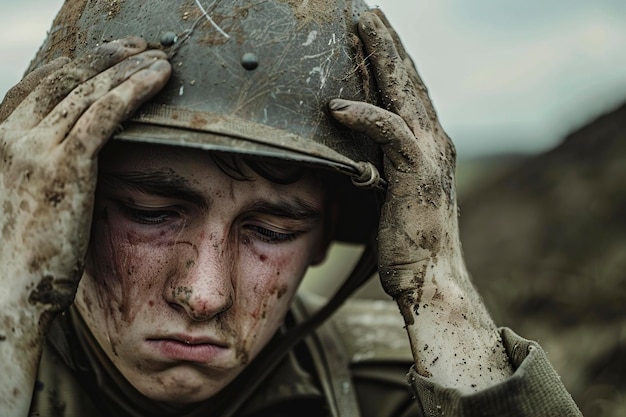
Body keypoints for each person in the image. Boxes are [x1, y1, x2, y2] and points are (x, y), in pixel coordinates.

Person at [0, 1, 582, 416]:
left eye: (271, 230)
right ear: (60, 209)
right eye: (152, 213)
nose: (205, 295)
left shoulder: (396, 385)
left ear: (328, 233)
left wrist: (440, 287)